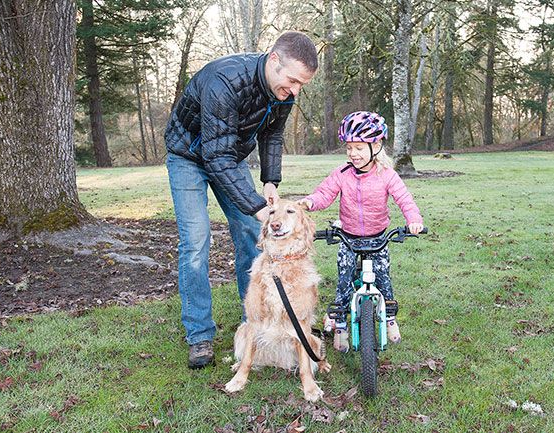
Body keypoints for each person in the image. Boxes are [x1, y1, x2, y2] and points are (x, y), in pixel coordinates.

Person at [164, 31, 318, 369]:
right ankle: (200, 335)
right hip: (187, 157)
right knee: (195, 242)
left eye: (301, 86)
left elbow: (272, 135)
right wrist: (258, 207)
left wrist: (269, 181)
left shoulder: (283, 92)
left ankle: (256, 319)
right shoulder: (225, 81)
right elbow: (214, 156)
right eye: (292, 81)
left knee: (250, 232)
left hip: (228, 157)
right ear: (274, 60)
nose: (294, 91)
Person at [298, 111, 424, 353]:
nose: (353, 154)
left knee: (383, 279)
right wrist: (310, 202)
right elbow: (325, 193)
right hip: (348, 237)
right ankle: (342, 325)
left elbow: (405, 199)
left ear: (375, 146)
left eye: (358, 148)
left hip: (378, 237)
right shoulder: (342, 174)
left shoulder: (387, 175)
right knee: (344, 280)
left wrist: (414, 220)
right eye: (349, 148)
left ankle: (388, 318)